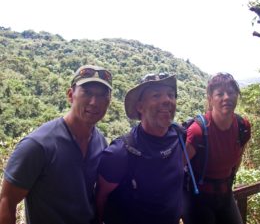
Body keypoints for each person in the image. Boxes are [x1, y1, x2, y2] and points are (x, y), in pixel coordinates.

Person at [0, 65, 112, 224]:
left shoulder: (100, 141)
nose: (94, 102)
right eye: (87, 92)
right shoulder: (38, 145)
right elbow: (6, 202)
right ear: (70, 95)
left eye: (102, 95)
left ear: (109, 101)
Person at [96, 73, 184, 224]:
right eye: (156, 95)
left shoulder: (180, 136)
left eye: (170, 95)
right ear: (140, 106)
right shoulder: (120, 153)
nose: (166, 100)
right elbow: (100, 198)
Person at [182, 72, 251, 224]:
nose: (226, 97)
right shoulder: (198, 131)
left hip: (225, 193)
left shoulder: (242, 127)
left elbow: (237, 158)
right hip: (198, 198)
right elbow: (178, 166)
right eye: (220, 94)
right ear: (210, 99)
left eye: (231, 92)